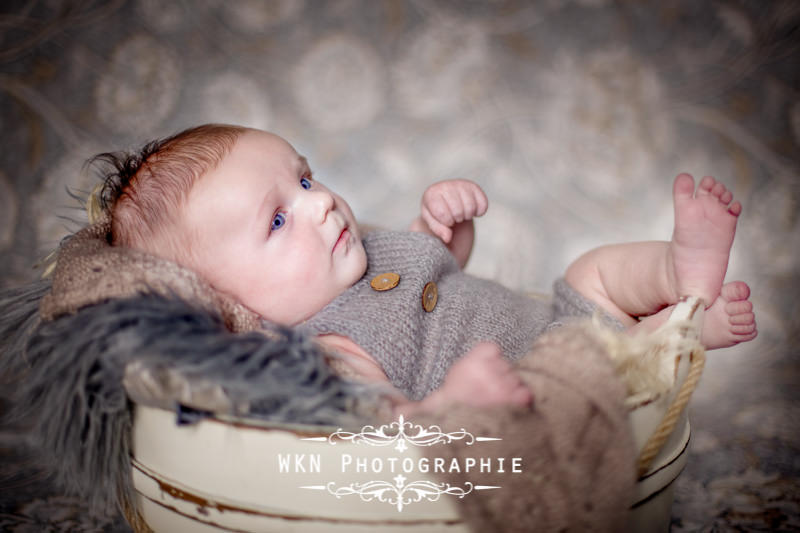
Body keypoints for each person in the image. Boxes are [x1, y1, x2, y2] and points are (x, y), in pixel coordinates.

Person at [96, 124, 757, 416]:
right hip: (542, 384)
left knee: (593, 269)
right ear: (224, 299)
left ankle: (679, 274)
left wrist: (444, 226)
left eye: (304, 177)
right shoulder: (325, 351)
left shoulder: (363, 251)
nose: (320, 201)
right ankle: (671, 333)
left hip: (563, 318)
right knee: (596, 374)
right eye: (278, 218)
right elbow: (385, 419)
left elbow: (436, 271)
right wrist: (449, 406)